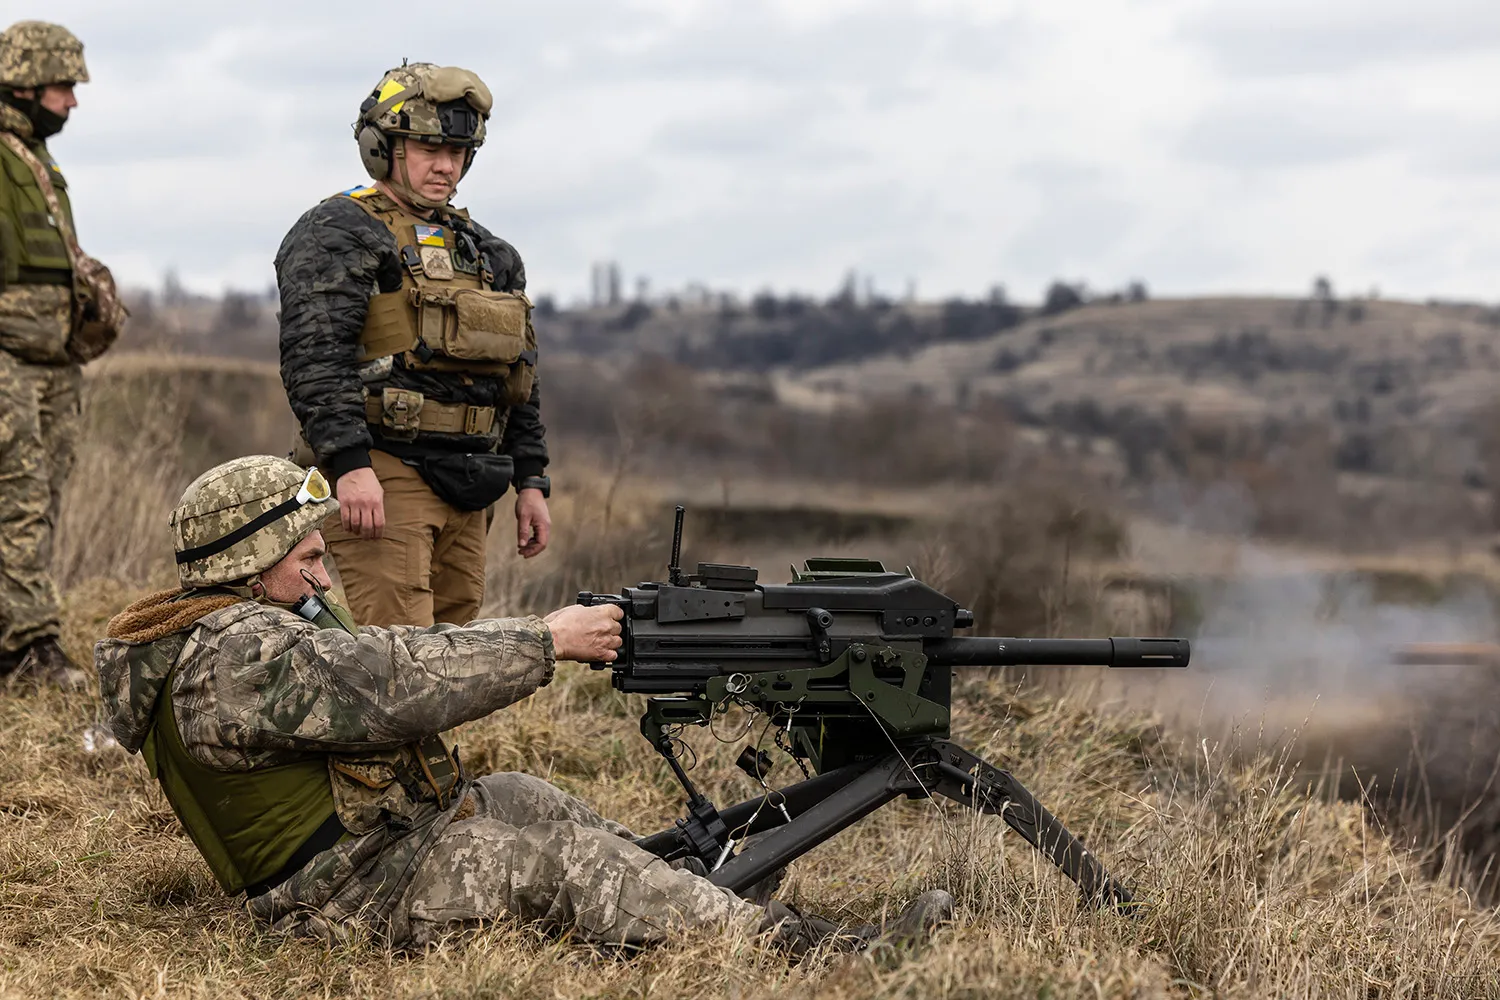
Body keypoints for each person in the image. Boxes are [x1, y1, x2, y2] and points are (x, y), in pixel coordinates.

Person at [93, 455, 952, 954]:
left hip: (378, 843)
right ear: (249, 564)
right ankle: (810, 956)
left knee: (526, 800)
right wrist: (548, 641)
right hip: (337, 897)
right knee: (560, 866)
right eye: (307, 558)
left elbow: (376, 671)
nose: (324, 576)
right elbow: (396, 682)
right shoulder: (234, 657)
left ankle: (699, 903)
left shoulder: (230, 632)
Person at [276, 62, 549, 630]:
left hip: (473, 479)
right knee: (399, 656)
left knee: (456, 653)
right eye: (428, 147)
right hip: (384, 470)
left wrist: (531, 481)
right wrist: (350, 465)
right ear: (383, 146)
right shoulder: (339, 231)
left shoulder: (489, 253)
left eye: (458, 150)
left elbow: (519, 380)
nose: (446, 165)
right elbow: (314, 358)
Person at [0, 21, 125, 689]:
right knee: (15, 498)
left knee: (42, 497)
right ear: (23, 83)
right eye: (62, 87)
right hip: (7, 362)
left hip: (51, 362)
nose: (72, 102)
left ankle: (16, 636)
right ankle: (27, 650)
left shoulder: (34, 161)